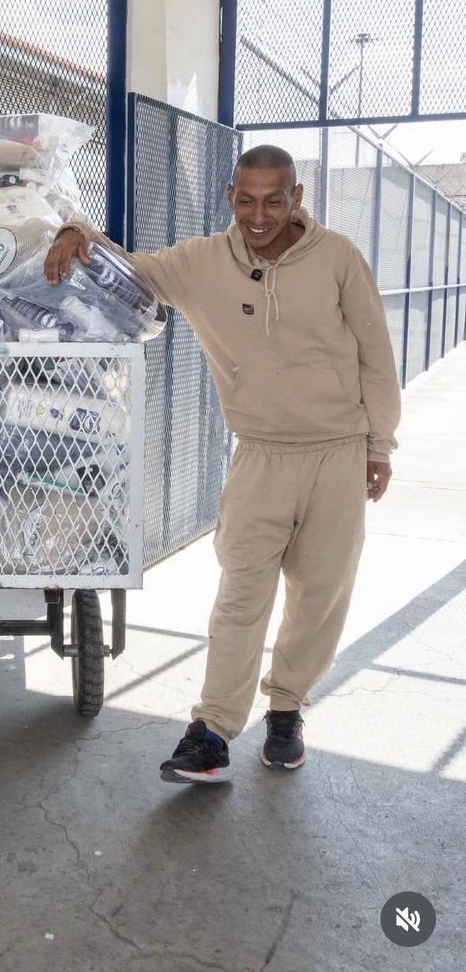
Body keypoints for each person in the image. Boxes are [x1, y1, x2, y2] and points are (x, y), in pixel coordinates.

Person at [44, 144, 401, 783]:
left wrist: (381, 444)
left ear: (297, 197)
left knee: (320, 593)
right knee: (240, 595)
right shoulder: (203, 262)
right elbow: (129, 271)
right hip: (260, 454)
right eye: (245, 199)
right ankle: (211, 730)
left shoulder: (339, 257)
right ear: (229, 197)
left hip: (338, 451)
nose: (258, 215)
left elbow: (376, 353)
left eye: (272, 199)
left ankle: (286, 709)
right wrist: (79, 230)